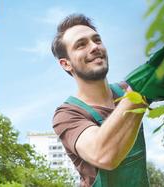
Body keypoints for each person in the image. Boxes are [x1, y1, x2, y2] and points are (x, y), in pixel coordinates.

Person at [51, 14, 149, 187]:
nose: (94, 47)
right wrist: (138, 94)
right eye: (81, 44)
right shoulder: (67, 115)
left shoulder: (126, 89)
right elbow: (103, 155)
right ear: (66, 64)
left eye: (97, 40)